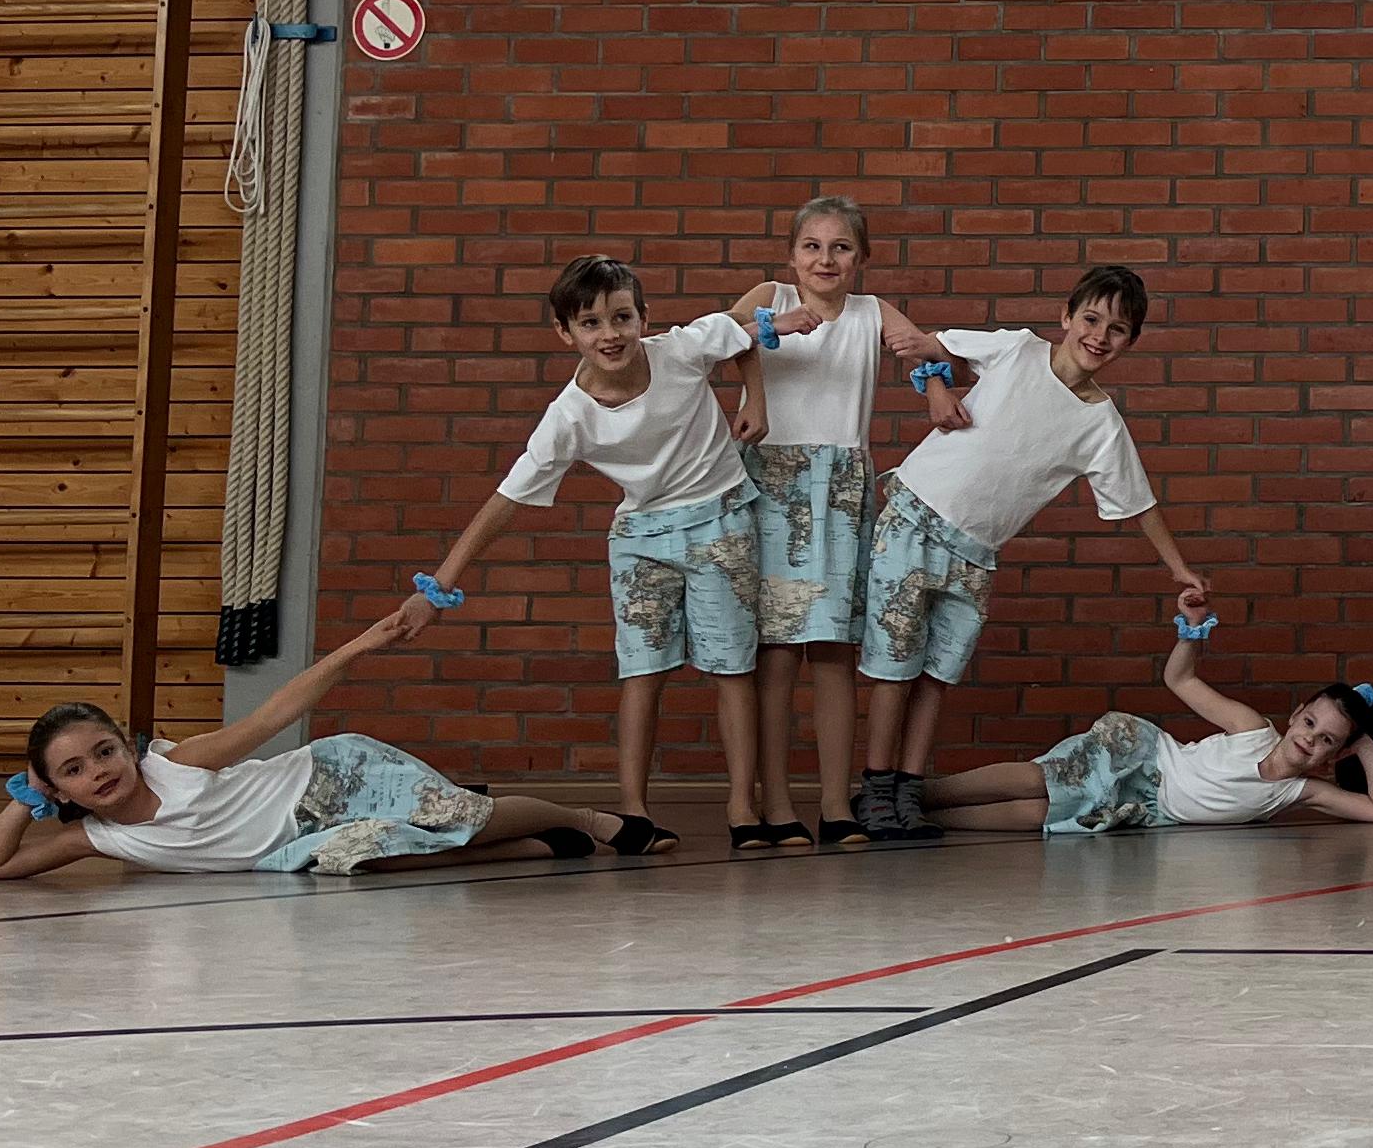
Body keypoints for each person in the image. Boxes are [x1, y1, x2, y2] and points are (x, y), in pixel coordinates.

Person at [413, 254, 767, 854]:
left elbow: (745, 326)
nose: (610, 335)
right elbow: (506, 500)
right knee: (642, 672)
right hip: (640, 538)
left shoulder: (679, 350)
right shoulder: (569, 415)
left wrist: (757, 394)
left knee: (731, 667)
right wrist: (439, 586)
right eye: (591, 323)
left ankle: (742, 806)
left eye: (622, 318)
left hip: (719, 521)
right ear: (565, 332)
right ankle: (634, 812)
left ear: (643, 318)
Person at [849, 263, 1216, 837]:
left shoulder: (1101, 425)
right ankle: (875, 786)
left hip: (975, 553)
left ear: (1131, 341)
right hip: (914, 518)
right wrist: (937, 388)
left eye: (1117, 329)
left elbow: (1138, 503)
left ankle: (908, 790)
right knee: (895, 665)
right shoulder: (1017, 350)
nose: (1099, 336)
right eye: (1091, 319)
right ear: (1066, 316)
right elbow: (930, 348)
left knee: (936, 674)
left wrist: (1179, 569)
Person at [0, 598, 645, 880]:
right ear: (59, 790)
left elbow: (272, 715)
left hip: (332, 779)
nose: (97, 770)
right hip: (298, 844)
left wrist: (358, 646)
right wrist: (24, 799)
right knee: (359, 863)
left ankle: (585, 820)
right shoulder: (98, 839)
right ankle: (537, 846)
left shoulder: (176, 764)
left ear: (129, 747)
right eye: (72, 770)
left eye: (103, 751)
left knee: (464, 817)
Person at [720, 193, 965, 848]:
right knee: (775, 655)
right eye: (812, 246)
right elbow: (718, 342)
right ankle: (776, 804)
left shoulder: (870, 312)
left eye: (840, 247)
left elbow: (921, 349)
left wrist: (935, 386)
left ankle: (834, 804)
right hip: (772, 481)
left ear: (861, 258)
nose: (824, 259)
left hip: (841, 489)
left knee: (833, 651)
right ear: (791, 255)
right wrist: (760, 369)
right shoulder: (768, 297)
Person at [911, 617, 1373, 833]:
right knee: (1039, 779)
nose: (1309, 738)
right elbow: (1180, 679)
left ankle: (926, 821)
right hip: (1141, 758)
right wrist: (1190, 635)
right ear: (1294, 716)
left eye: (1326, 740)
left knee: (1041, 815)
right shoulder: (1251, 728)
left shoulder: (1298, 792)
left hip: (1145, 808)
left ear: (1333, 755)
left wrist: (1365, 745)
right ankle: (917, 794)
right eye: (1309, 722)